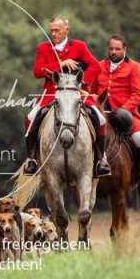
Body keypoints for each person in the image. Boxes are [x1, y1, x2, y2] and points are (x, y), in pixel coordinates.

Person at [24, 15, 110, 177]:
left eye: (57, 30)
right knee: (30, 117)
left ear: (66, 30)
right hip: (52, 92)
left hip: (76, 93)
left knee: (101, 119)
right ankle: (31, 160)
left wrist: (82, 83)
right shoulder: (43, 48)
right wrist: (61, 64)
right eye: (51, 31)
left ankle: (101, 160)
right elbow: (37, 71)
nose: (53, 34)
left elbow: (95, 67)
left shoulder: (79, 46)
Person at [89, 34, 140, 188]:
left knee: (139, 138)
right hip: (102, 114)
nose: (113, 52)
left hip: (127, 114)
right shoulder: (99, 66)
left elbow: (138, 94)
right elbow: (92, 90)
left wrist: (122, 110)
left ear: (125, 49)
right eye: (111, 48)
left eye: (117, 49)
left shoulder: (134, 67)